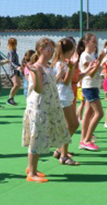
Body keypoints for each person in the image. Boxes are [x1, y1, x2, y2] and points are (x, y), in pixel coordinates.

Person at [23, 38, 71, 182]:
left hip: (47, 106)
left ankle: (33, 168)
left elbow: (50, 85)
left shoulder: (48, 67)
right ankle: (31, 173)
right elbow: (38, 89)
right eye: (49, 49)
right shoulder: (36, 67)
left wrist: (58, 75)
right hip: (37, 108)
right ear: (40, 50)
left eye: (53, 49)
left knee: (41, 136)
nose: (52, 52)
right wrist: (37, 73)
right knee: (36, 138)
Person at [51, 37, 80, 165]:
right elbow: (66, 81)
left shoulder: (63, 62)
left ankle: (59, 150)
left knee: (75, 124)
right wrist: (72, 66)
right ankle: (63, 155)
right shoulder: (60, 64)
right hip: (62, 98)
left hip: (66, 96)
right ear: (69, 51)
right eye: (73, 49)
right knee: (69, 126)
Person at [78, 33, 106, 151]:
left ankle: (83, 139)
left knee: (88, 113)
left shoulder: (91, 55)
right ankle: (87, 139)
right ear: (87, 42)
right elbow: (90, 73)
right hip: (89, 86)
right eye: (94, 41)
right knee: (99, 113)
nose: (96, 44)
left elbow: (96, 71)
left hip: (93, 85)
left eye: (96, 41)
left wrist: (101, 67)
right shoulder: (85, 56)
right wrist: (99, 59)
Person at [6, 38, 23, 105]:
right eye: (15, 43)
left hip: (16, 70)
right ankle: (10, 99)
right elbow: (11, 62)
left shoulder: (14, 51)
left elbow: (15, 61)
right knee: (16, 84)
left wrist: (20, 66)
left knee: (18, 84)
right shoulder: (10, 52)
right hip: (13, 70)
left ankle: (11, 98)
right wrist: (17, 67)